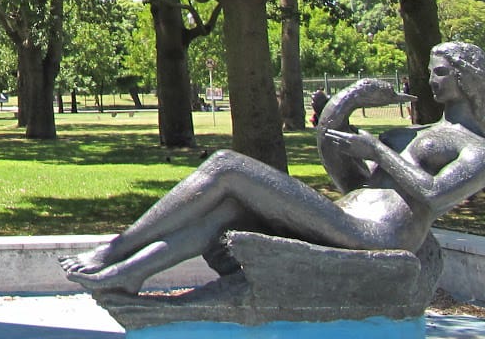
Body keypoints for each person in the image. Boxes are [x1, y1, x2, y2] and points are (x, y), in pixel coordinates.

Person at [62, 41, 485, 296]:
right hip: (349, 213)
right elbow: (352, 180)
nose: (431, 79)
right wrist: (348, 102)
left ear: (466, 79)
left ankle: (116, 249)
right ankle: (129, 273)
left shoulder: (476, 148)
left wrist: (376, 147)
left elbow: (433, 196)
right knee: (227, 209)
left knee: (227, 166)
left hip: (380, 234)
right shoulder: (421, 129)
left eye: (441, 72)